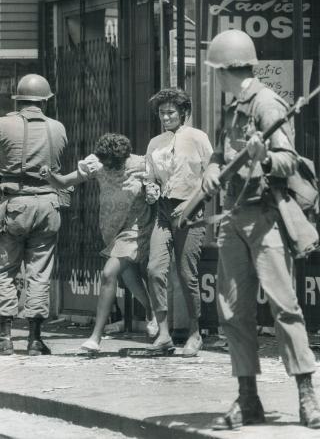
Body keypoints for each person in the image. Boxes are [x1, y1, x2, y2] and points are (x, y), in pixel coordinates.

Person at [202, 29, 320, 429]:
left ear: (224, 70)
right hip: (234, 218)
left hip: (266, 217)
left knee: (284, 307)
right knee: (233, 311)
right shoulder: (232, 109)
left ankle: (307, 398)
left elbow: (289, 161)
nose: (214, 79)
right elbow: (220, 156)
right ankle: (247, 398)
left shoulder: (267, 103)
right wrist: (210, 170)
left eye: (214, 72)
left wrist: (265, 157)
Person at [40, 133, 158, 352]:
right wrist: (49, 176)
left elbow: (162, 181)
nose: (110, 169)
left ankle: (95, 336)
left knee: (108, 273)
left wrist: (151, 182)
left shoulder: (141, 164)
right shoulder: (97, 164)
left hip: (136, 227)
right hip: (111, 229)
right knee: (129, 275)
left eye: (114, 165)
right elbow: (64, 182)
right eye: (106, 165)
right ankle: (152, 310)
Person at [0, 74, 67, 356]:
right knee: (39, 272)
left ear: (19, 98)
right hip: (48, 205)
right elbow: (58, 167)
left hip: (14, 203)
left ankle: (4, 338)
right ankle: (35, 339)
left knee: (5, 269)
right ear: (44, 100)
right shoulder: (57, 127)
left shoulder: (3, 124)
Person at [145, 88, 213, 357]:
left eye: (171, 111)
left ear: (184, 112)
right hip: (163, 211)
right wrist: (149, 188)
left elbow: (212, 173)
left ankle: (195, 333)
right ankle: (163, 333)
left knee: (187, 274)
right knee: (154, 269)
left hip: (190, 209)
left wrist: (195, 201)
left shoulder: (198, 138)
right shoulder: (154, 143)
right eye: (162, 112)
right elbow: (150, 177)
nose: (166, 116)